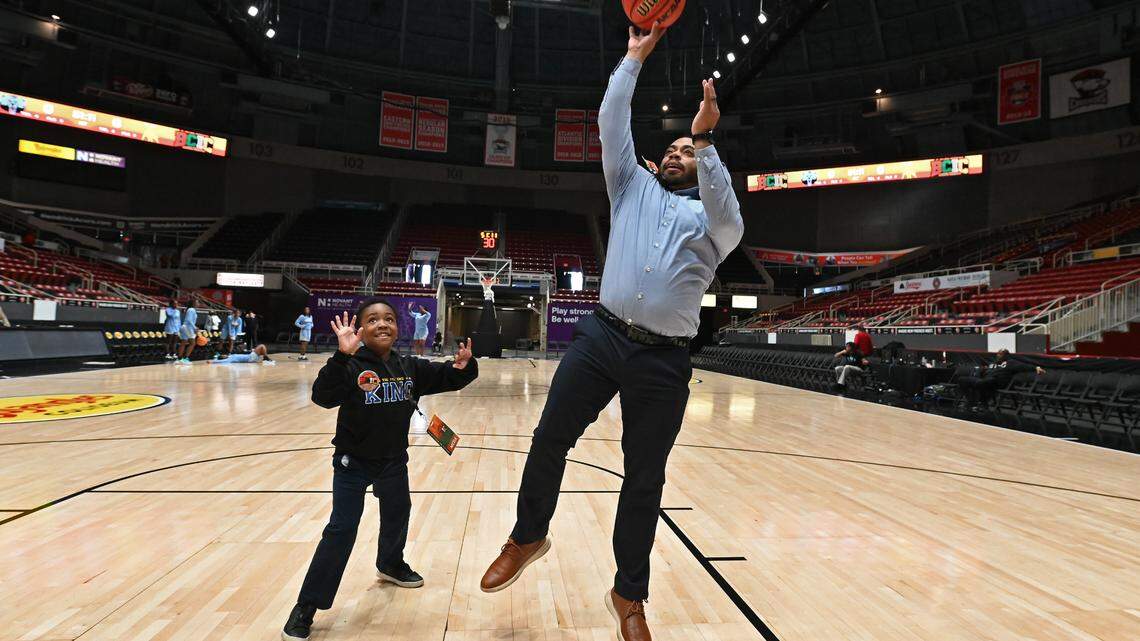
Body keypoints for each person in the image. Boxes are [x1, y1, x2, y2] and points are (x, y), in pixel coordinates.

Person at [478, 23, 743, 641]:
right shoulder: (630, 186)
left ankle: (629, 594)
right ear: (656, 162)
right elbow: (609, 119)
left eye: (690, 150)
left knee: (644, 479)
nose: (679, 153)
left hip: (664, 360)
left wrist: (705, 138)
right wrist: (633, 56)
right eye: (673, 148)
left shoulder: (712, 219)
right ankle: (528, 536)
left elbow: (729, 210)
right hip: (602, 337)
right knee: (549, 438)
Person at [281, 299, 478, 641]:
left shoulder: (408, 366)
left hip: (392, 461)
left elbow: (446, 376)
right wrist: (341, 355)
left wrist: (464, 366)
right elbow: (322, 396)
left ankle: (390, 563)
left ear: (398, 327)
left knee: (399, 511)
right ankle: (306, 606)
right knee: (341, 529)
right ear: (360, 329)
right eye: (372, 320)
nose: (382, 324)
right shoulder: (351, 365)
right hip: (352, 464)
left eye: (388, 318)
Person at [956, 349, 1045, 406]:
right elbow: (984, 370)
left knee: (984, 382)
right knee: (962, 380)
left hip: (997, 382)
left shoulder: (1011, 362)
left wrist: (1036, 367)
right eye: (998, 354)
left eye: (1000, 354)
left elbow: (1023, 366)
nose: (998, 355)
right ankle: (971, 400)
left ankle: (979, 400)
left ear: (1006, 356)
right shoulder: (993, 363)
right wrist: (981, 370)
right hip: (986, 380)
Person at [209, 343, 274, 365]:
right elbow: (223, 361)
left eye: (223, 355)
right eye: (223, 356)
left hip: (250, 357)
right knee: (262, 346)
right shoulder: (230, 359)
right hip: (250, 358)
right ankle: (266, 357)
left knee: (262, 348)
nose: (224, 355)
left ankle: (265, 358)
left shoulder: (231, 356)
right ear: (224, 357)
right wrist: (213, 362)